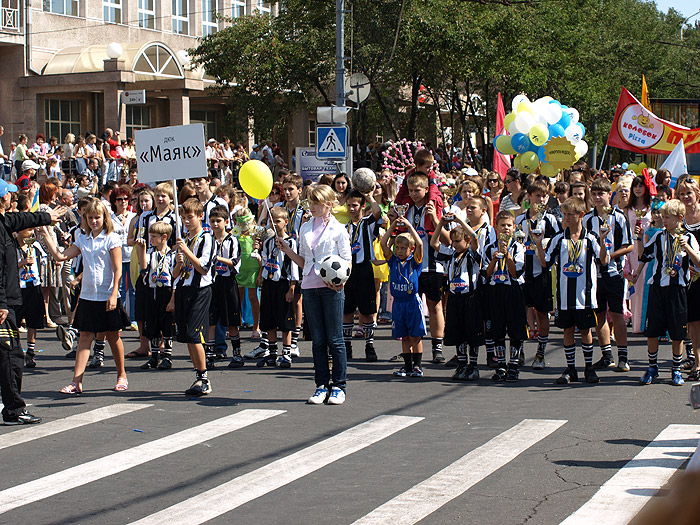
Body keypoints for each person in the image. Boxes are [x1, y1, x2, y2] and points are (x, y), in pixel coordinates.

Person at [42, 199, 128, 394]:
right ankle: (76, 381)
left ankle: (121, 374)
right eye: (90, 218)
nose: (94, 221)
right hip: (89, 296)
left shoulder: (111, 238)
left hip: (107, 294)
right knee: (85, 338)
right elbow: (61, 256)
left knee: (114, 337)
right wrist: (46, 235)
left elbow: (117, 270)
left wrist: (114, 293)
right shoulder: (82, 238)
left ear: (104, 218)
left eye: (97, 217)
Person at [277, 184, 351, 405]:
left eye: (316, 203)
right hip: (309, 286)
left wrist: (340, 283)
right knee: (317, 339)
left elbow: (347, 261)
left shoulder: (339, 229)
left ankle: (339, 386)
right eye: (310, 202)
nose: (312, 206)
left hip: (332, 288)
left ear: (328, 204)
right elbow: (304, 261)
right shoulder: (305, 228)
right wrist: (287, 251)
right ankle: (321, 385)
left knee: (335, 338)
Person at [0, 179, 65, 424]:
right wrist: (2, 304)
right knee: (11, 357)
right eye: (8, 195)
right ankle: (14, 409)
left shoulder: (5, 221)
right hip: (4, 306)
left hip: (9, 302)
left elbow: (23, 220)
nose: (12, 198)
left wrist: (47, 217)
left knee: (10, 357)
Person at [534, 197, 608, 385]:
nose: (566, 218)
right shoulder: (559, 238)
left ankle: (589, 368)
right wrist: (538, 243)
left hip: (585, 296)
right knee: (568, 330)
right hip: (565, 296)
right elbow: (545, 263)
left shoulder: (590, 237)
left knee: (585, 331)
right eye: (564, 214)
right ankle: (570, 368)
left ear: (581, 215)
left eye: (570, 214)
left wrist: (603, 239)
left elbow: (603, 261)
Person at [632, 199, 700, 387]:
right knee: (653, 331)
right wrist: (639, 238)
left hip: (678, 290)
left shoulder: (689, 237)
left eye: (667, 218)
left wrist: (686, 246)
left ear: (679, 218)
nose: (664, 221)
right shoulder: (658, 237)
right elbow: (643, 256)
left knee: (678, 332)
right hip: (658, 289)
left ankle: (676, 369)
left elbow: (698, 262)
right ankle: (652, 367)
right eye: (663, 217)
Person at [396, 171, 447, 364]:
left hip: (432, 265)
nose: (414, 193)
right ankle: (412, 351)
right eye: (411, 190)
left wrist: (435, 218)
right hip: (411, 268)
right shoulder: (406, 209)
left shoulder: (434, 207)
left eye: (418, 190)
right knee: (412, 308)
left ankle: (437, 347)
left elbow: (445, 239)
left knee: (435, 307)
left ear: (426, 189)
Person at [168, 198, 217, 396]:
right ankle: (198, 374)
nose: (187, 221)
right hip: (184, 289)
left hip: (200, 291)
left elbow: (204, 268)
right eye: (184, 218)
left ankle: (204, 378)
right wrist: (179, 262)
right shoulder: (185, 240)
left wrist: (186, 252)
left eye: (190, 217)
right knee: (187, 335)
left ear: (200, 217)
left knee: (195, 334)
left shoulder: (206, 238)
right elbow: (174, 274)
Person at [584, 178, 633, 372]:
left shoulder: (619, 216)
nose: (597, 197)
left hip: (614, 273)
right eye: (594, 194)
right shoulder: (588, 218)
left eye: (601, 194)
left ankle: (623, 357)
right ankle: (607, 355)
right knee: (599, 315)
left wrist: (609, 256)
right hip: (594, 275)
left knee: (617, 313)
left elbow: (628, 245)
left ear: (608, 194)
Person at [430, 213, 482, 381]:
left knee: (471, 333)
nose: (455, 244)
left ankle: (473, 366)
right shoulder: (451, 254)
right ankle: (462, 364)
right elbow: (434, 243)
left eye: (458, 241)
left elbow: (474, 237)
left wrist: (459, 221)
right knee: (458, 332)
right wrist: (441, 224)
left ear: (466, 241)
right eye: (453, 241)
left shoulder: (472, 255)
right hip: (454, 298)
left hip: (471, 298)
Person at [515, 179, 561, 369]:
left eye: (544, 196)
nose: (541, 200)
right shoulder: (519, 220)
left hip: (542, 272)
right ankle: (519, 350)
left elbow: (558, 241)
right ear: (529, 197)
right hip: (523, 274)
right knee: (520, 314)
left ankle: (541, 353)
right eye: (537, 196)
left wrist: (545, 243)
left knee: (542, 313)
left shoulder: (550, 219)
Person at [482, 211, 527, 382]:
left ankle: (513, 366)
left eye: (509, 225)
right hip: (495, 291)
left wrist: (508, 256)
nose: (506, 229)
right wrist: (494, 261)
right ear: (497, 228)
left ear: (514, 228)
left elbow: (516, 273)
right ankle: (501, 366)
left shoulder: (518, 247)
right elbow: (485, 275)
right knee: (497, 330)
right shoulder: (489, 247)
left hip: (513, 291)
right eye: (502, 226)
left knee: (515, 330)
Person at [380, 215, 425, 377]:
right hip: (398, 303)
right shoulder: (393, 261)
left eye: (403, 248)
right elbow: (383, 243)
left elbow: (419, 243)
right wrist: (392, 226)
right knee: (404, 336)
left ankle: (417, 367)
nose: (399, 251)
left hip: (412, 302)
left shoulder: (415, 261)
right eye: (397, 248)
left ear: (411, 249)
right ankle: (407, 366)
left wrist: (408, 225)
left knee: (415, 336)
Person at [341, 189, 382, 361]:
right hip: (347, 271)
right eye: (349, 205)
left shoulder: (367, 224)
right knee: (347, 310)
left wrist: (369, 195)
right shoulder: (343, 228)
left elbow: (378, 212)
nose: (352, 209)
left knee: (367, 312)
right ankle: (347, 346)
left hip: (364, 269)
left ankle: (369, 345)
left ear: (362, 206)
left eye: (355, 205)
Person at [256, 207, 299, 367]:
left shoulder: (291, 242)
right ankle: (272, 353)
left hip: (283, 284)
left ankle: (286, 353)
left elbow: (294, 266)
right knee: (269, 318)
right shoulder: (268, 242)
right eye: (271, 221)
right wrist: (261, 274)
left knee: (285, 321)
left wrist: (292, 287)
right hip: (269, 284)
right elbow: (266, 261)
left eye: (278, 221)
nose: (274, 224)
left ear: (286, 222)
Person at [135, 221, 176, 371]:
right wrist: (141, 248)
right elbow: (143, 266)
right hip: (152, 291)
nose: (151, 239)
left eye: (154, 236)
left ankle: (167, 356)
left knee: (166, 325)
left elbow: (175, 278)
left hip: (166, 291)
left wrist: (173, 299)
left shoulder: (172, 255)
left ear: (164, 237)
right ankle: (154, 357)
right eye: (150, 236)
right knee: (153, 324)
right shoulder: (151, 254)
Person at [207, 206, 243, 368]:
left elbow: (234, 262)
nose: (215, 224)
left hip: (228, 283)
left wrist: (217, 258)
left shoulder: (232, 240)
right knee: (211, 320)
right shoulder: (208, 239)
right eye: (212, 221)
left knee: (231, 321)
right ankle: (210, 354)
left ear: (226, 222)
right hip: (211, 283)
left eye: (218, 221)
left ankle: (236, 354)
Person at [677, 176, 700, 379]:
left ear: (697, 194)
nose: (685, 197)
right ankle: (698, 364)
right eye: (682, 194)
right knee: (693, 322)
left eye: (689, 193)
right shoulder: (679, 219)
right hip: (690, 277)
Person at [15, 227, 47, 368]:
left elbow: (45, 258)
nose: (31, 232)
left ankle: (30, 352)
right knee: (14, 321)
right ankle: (15, 351)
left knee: (33, 322)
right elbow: (6, 267)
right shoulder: (11, 246)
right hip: (17, 288)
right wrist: (22, 263)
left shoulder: (34, 245)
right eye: (28, 229)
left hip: (34, 286)